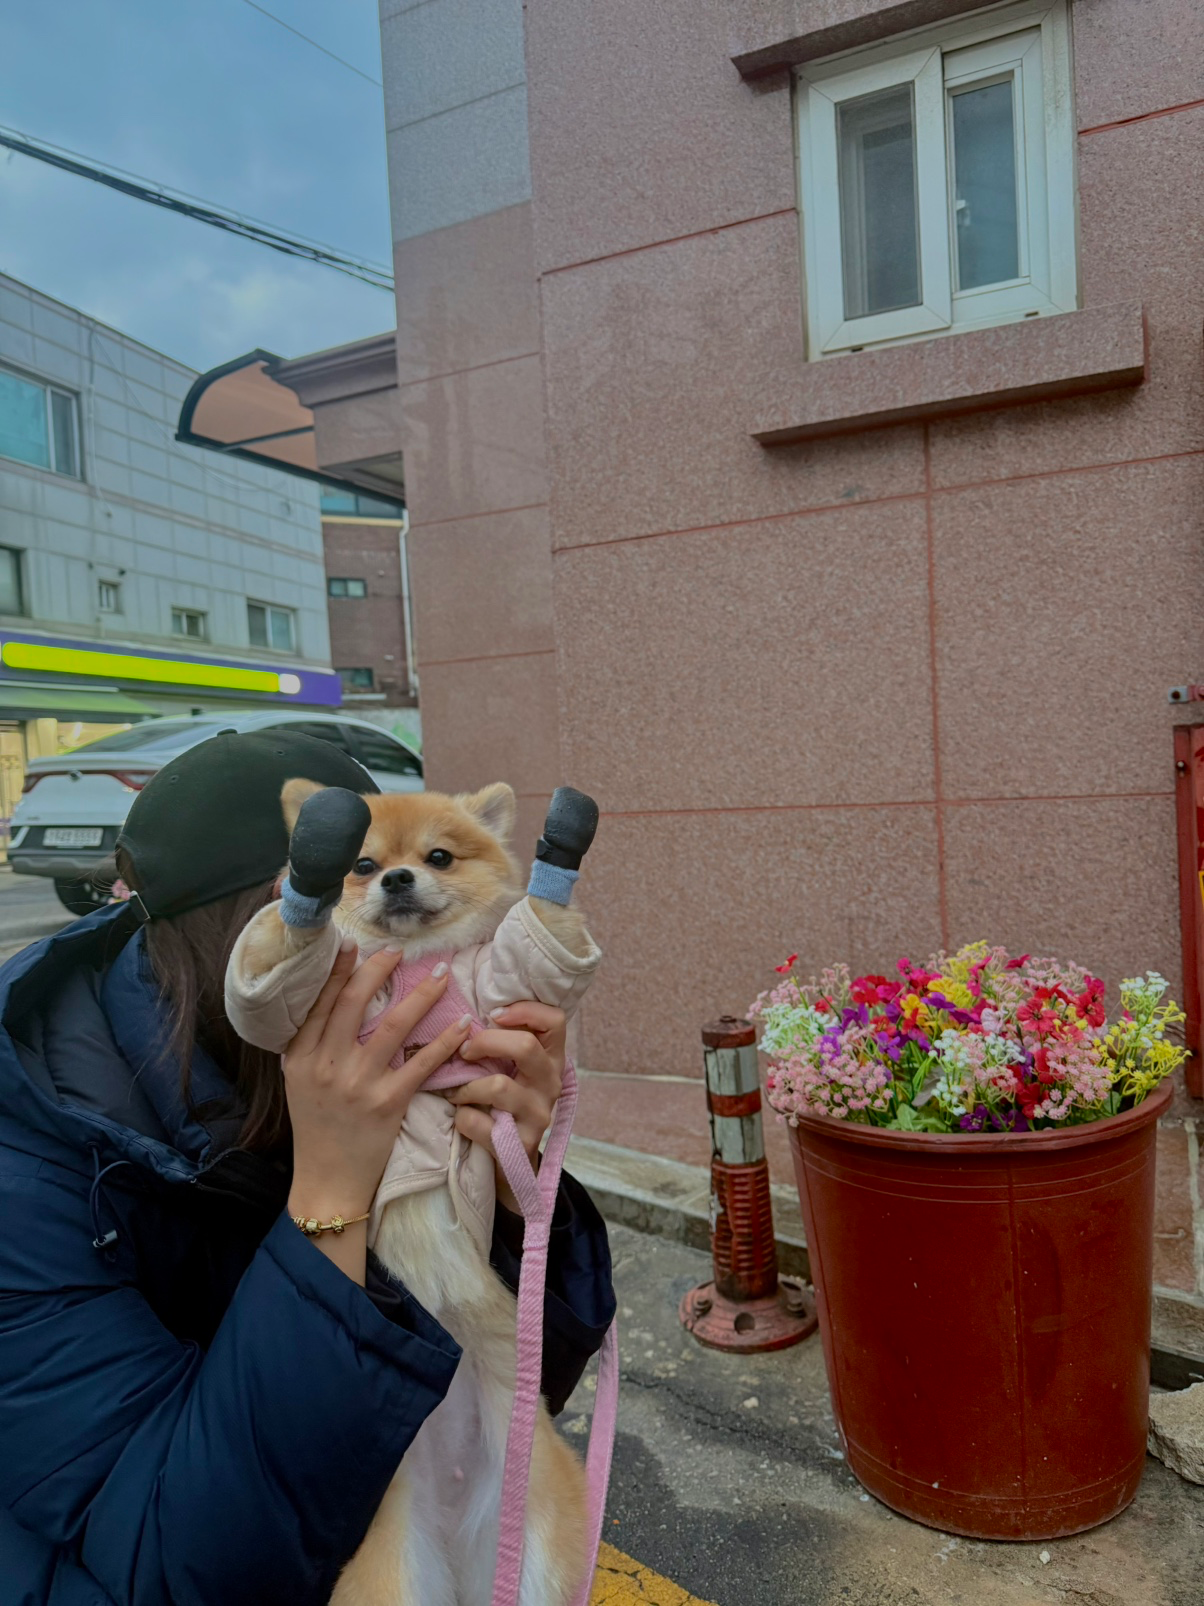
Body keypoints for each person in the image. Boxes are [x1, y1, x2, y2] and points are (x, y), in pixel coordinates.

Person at [0, 730, 615, 1606]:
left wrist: (514, 1184)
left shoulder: (384, 1054)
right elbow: (182, 1561)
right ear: (264, 933)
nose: (408, 971)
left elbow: (506, 1385)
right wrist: (330, 1198)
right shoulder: (31, 1176)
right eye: (356, 885)